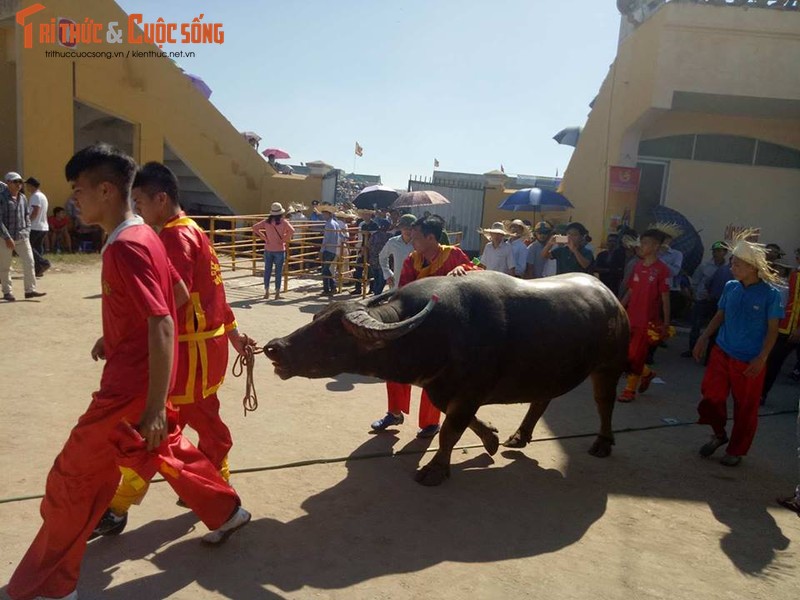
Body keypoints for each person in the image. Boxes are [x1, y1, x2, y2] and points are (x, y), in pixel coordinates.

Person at [7, 144, 250, 600]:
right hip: (139, 381)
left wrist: (155, 404)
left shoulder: (125, 246)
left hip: (127, 391)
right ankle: (227, 509)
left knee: (71, 480)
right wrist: (118, 334)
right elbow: (175, 294)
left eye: (79, 190)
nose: (75, 199)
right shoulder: (147, 235)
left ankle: (51, 587)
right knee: (163, 448)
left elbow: (162, 319)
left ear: (105, 190)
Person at [89, 160, 256, 538]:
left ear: (160, 199)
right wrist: (232, 335)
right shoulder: (194, 231)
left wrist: (119, 337)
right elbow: (213, 294)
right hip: (204, 348)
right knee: (201, 422)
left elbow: (169, 301)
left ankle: (120, 506)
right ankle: (217, 488)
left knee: (156, 430)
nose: (139, 212)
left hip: (187, 351)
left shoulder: (172, 238)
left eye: (140, 202)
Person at [371, 214, 477, 438]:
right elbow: (405, 292)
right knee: (394, 365)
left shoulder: (454, 255)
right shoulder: (412, 259)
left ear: (431, 237)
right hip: (416, 323)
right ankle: (394, 412)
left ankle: (430, 423)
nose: (412, 241)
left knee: (434, 376)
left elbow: (479, 272)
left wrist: (464, 270)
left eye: (417, 236)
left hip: (445, 329)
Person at [693, 233, 784, 467]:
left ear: (753, 267)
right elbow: (720, 314)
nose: (732, 267)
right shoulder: (730, 287)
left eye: (737, 264)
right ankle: (719, 434)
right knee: (711, 398)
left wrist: (762, 358)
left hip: (750, 360)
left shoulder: (770, 294)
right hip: (722, 352)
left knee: (745, 409)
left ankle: (736, 449)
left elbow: (773, 330)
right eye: (732, 262)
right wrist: (703, 337)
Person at [618, 229, 672, 402]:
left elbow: (665, 298)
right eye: (641, 242)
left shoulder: (662, 270)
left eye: (646, 242)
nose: (641, 245)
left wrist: (666, 323)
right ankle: (647, 374)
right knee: (626, 354)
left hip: (647, 322)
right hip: (630, 317)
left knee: (636, 355)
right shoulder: (638, 266)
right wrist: (619, 308)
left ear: (656, 246)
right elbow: (631, 291)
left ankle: (629, 390)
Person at [761, 249, 800, 405]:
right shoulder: (793, 276)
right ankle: (761, 394)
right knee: (773, 361)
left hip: (795, 328)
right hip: (787, 328)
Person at [0, 171, 45, 301]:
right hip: (4, 238)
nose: (19, 184)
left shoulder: (23, 198)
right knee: (5, 266)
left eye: (20, 182)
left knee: (29, 262)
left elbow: (27, 216)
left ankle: (30, 290)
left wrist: (26, 231)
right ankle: (7, 292)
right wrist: (7, 237)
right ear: (8, 183)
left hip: (22, 237)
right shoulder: (1, 198)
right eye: (16, 181)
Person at [682, 241, 729, 358]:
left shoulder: (728, 268)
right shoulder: (704, 266)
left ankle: (709, 354)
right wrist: (694, 296)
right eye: (714, 251)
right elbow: (696, 281)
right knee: (696, 325)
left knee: (715, 328)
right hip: (702, 300)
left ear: (725, 253)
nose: (716, 253)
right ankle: (692, 349)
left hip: (718, 302)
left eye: (719, 251)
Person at [253, 202, 295, 300]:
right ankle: (277, 293)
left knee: (267, 270)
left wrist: (264, 237)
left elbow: (254, 227)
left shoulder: (266, 222)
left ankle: (266, 291)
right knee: (278, 272)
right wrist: (284, 239)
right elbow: (292, 230)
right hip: (280, 249)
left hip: (268, 248)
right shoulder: (283, 222)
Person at [379, 213, 415, 290]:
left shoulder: (419, 243)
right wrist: (388, 274)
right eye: (405, 228)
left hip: (415, 282)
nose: (407, 231)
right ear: (400, 228)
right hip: (397, 282)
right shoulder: (393, 242)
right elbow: (382, 257)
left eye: (410, 229)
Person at [25, 176, 51, 277]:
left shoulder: (35, 196)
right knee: (37, 247)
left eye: (28, 185)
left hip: (35, 226)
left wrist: (28, 222)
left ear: (31, 186)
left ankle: (43, 263)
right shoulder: (42, 196)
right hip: (43, 226)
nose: (27, 187)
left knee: (29, 247)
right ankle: (39, 269)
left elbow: (35, 211)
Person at [318, 203, 346, 296]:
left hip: (328, 249)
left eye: (325, 214)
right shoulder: (336, 223)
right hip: (334, 249)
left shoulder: (329, 224)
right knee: (327, 269)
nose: (323, 215)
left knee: (325, 270)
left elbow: (326, 239)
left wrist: (321, 251)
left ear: (329, 214)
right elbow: (341, 235)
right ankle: (330, 287)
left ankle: (329, 288)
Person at [353, 209, 379, 294]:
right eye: (364, 215)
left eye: (367, 214)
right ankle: (358, 288)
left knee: (370, 270)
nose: (365, 216)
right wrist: (362, 248)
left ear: (370, 215)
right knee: (358, 268)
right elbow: (363, 238)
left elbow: (374, 237)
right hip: (364, 248)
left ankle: (372, 288)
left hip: (371, 250)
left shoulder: (374, 225)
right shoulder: (363, 225)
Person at [367, 218, 392, 294]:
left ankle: (376, 293)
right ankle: (377, 294)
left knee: (376, 278)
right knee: (382, 279)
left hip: (374, 260)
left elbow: (368, 246)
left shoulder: (374, 235)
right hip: (384, 261)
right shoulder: (389, 236)